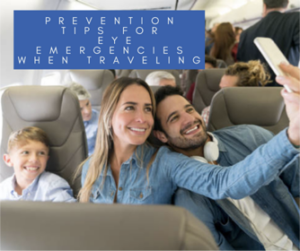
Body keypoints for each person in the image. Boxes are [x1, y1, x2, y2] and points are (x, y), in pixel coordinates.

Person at [78, 76, 300, 205]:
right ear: (108, 116)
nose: (142, 118)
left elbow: (224, 182)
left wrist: (290, 137)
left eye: (147, 109)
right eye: (129, 108)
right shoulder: (89, 168)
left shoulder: (164, 162)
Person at [153, 85, 300, 250]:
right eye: (174, 118)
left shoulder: (252, 136)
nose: (189, 119)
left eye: (189, 109)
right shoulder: (188, 198)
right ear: (161, 135)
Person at [0, 127, 76, 202]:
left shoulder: (53, 186)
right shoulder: (2, 189)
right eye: (25, 152)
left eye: (41, 153)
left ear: (46, 159)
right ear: (8, 160)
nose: (34, 159)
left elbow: (70, 213)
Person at [237, 0, 300, 85]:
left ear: (264, 6)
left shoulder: (246, 33)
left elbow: (241, 63)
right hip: (285, 90)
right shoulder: (296, 20)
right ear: (286, 5)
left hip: (252, 90)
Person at [201, 60, 271, 126]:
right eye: (220, 89)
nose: (219, 95)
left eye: (226, 90)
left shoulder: (267, 113)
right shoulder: (210, 113)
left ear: (246, 93)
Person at [69, 83, 99, 156]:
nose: (88, 111)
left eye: (87, 104)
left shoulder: (101, 120)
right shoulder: (62, 126)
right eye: (80, 109)